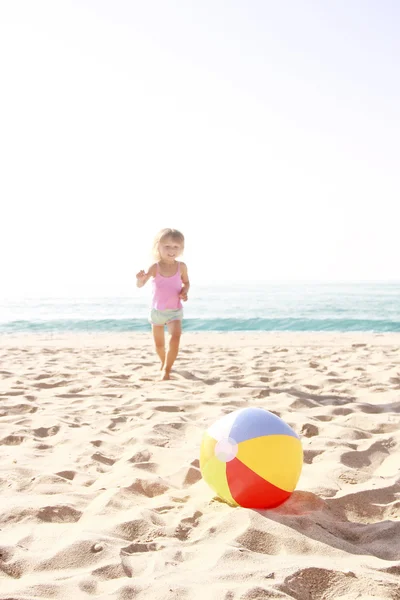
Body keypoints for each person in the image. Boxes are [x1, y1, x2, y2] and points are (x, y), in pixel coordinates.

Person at [136, 228, 190, 380]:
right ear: (158, 247)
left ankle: (166, 370)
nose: (171, 250)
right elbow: (141, 284)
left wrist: (184, 291)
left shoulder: (182, 267)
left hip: (175, 311)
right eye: (167, 246)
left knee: (175, 338)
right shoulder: (155, 267)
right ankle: (163, 362)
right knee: (159, 345)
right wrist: (140, 279)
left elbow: (186, 282)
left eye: (176, 247)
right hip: (157, 312)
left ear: (181, 248)